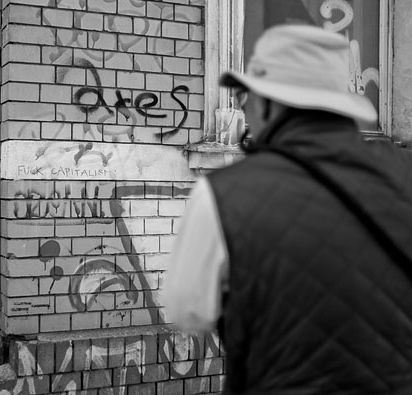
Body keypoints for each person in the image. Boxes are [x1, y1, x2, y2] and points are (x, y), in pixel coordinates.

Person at [164, 25, 412, 393]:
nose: (242, 104)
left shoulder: (223, 195)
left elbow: (187, 310)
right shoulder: (405, 173)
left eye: (246, 93)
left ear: (271, 102)